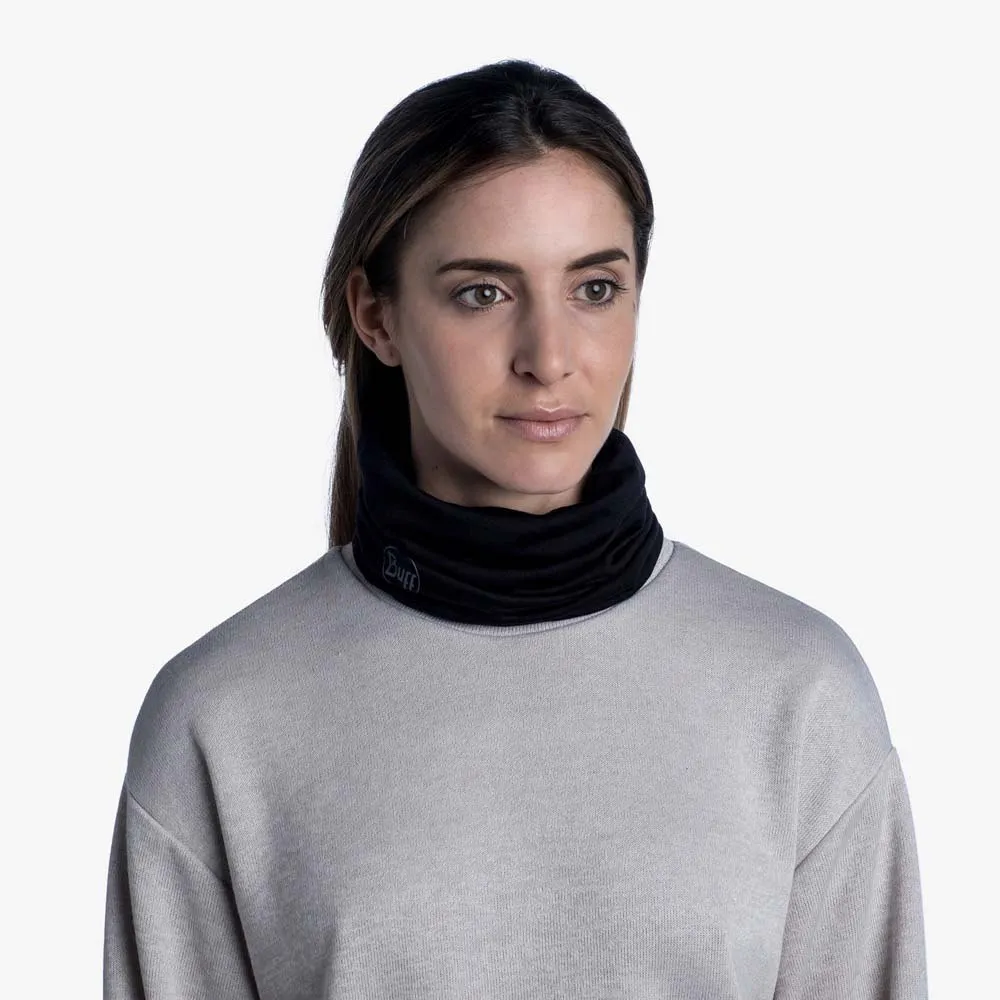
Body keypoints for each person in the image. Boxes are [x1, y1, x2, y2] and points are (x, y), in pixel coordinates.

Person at [103, 59, 928, 999]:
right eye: (483, 293)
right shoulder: (223, 716)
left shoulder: (800, 694)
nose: (549, 358)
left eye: (594, 289)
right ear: (376, 315)